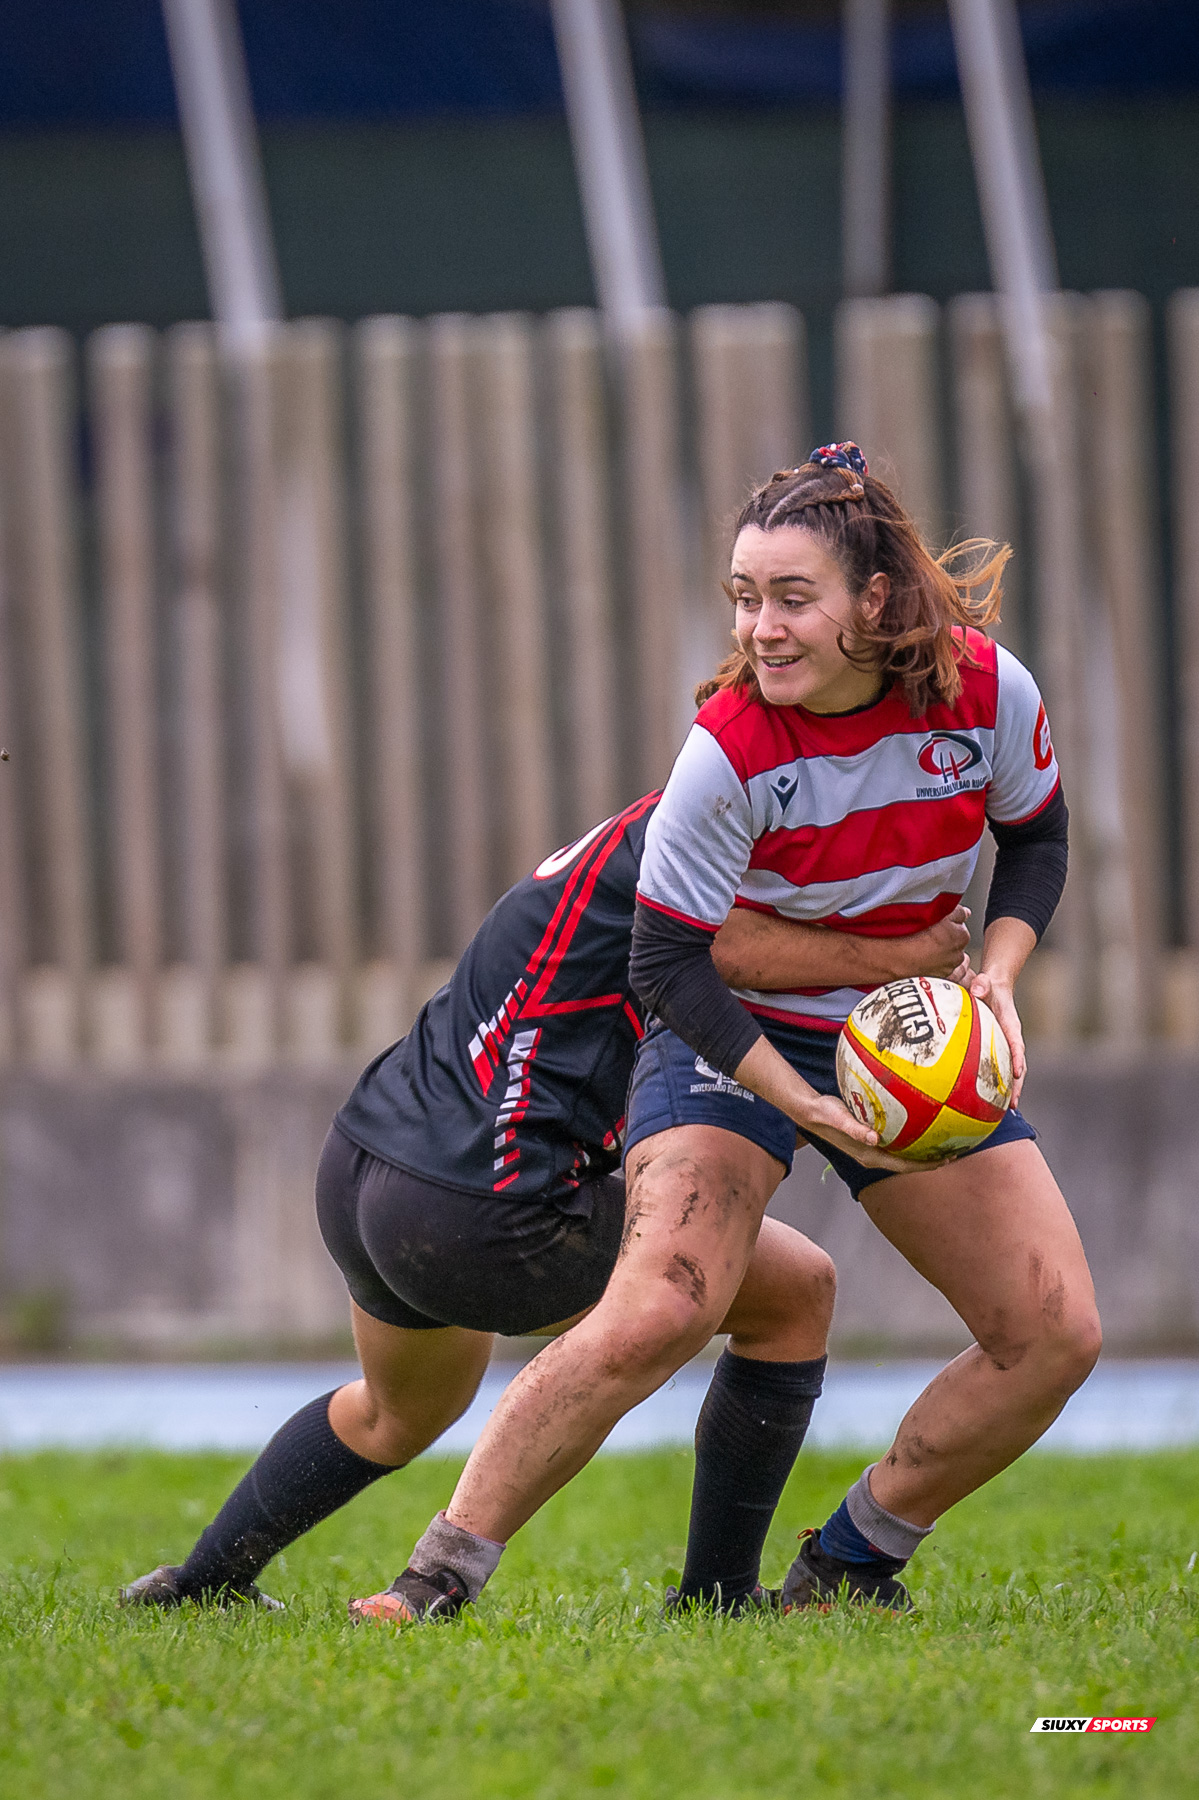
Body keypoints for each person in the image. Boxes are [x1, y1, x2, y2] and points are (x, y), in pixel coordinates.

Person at [368, 442, 1097, 1623]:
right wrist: (793, 1099)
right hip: (724, 1029)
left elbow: (1038, 837)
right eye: (743, 598)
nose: (759, 627)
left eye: (790, 597)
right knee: (664, 1300)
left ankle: (852, 1559)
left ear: (873, 599)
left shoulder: (985, 692)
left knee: (1052, 1332)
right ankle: (436, 1576)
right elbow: (665, 963)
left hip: (902, 1036)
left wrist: (1000, 979)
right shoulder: (727, 748)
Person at [121, 784, 971, 1614]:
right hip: (480, 1209)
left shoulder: (651, 831)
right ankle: (717, 1597)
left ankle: (198, 1585)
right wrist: (899, 963)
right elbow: (739, 959)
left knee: (397, 1411)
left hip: (365, 1164)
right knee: (794, 1291)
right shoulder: (698, 867)